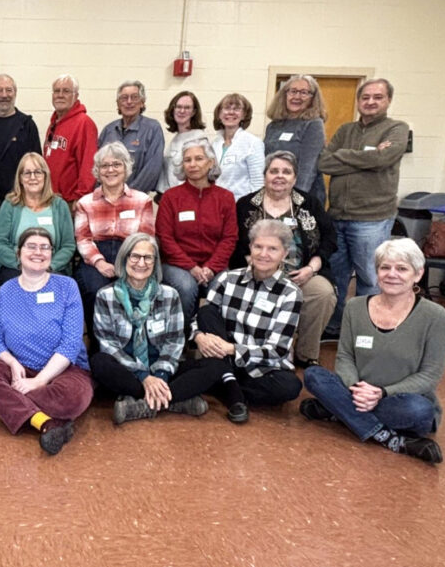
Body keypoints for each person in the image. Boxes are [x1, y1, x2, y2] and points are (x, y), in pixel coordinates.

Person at [302, 238, 445, 464]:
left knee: (420, 411)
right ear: (377, 271)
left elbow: (429, 375)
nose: (392, 274)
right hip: (356, 392)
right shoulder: (355, 306)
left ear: (417, 274)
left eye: (402, 269)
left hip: (399, 401)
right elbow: (345, 357)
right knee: (313, 375)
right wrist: (355, 389)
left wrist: (382, 392)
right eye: (385, 267)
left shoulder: (435, 316)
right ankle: (388, 438)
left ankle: (339, 412)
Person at [0, 227, 94, 456]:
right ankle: (42, 421)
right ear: (18, 253)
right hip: (18, 370)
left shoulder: (67, 287)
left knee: (74, 399)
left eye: (45, 247)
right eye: (31, 246)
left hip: (64, 370)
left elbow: (71, 344)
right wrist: (12, 363)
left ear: (52, 254)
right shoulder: (6, 290)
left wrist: (40, 380)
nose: (38, 252)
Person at [170, 220, 302, 424]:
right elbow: (200, 320)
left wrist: (231, 349)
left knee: (290, 387)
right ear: (250, 248)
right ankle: (233, 393)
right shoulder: (227, 279)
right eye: (258, 246)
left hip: (259, 368)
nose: (263, 254)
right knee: (206, 311)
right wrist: (199, 337)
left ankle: (220, 383)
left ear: (284, 254)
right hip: (222, 358)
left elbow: (277, 350)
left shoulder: (290, 294)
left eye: (272, 249)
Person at [319, 78, 409, 340]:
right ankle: (335, 327)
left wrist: (345, 156)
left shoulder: (396, 129)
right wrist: (366, 159)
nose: (370, 102)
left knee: (369, 278)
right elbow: (324, 162)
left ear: (388, 100)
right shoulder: (345, 130)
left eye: (377, 97)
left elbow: (384, 158)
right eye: (365, 97)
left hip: (371, 218)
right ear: (358, 101)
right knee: (336, 277)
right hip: (337, 216)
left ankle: (363, 331)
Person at [89, 233, 207, 423]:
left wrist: (160, 374)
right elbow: (108, 344)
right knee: (99, 362)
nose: (141, 263)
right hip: (128, 371)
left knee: (213, 366)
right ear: (124, 258)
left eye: (148, 257)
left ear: (155, 262)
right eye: (134, 256)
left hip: (161, 367)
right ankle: (173, 400)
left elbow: (175, 341)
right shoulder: (106, 295)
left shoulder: (170, 294)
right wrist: (144, 377)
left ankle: (141, 404)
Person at [233, 151, 336, 368]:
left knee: (323, 293)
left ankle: (306, 353)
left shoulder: (309, 204)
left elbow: (329, 238)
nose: (280, 176)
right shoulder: (246, 204)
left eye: (286, 172)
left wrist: (311, 267)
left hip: (302, 273)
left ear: (295, 178)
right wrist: (256, 266)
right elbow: (235, 243)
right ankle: (266, 350)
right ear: (265, 175)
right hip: (258, 273)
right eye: (274, 171)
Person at [154, 137, 237, 325]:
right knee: (186, 286)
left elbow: (229, 238)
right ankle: (180, 341)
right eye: (187, 160)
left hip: (214, 265)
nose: (192, 164)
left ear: (211, 162)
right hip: (177, 265)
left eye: (199, 158)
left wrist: (210, 268)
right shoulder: (170, 197)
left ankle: (214, 341)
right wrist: (191, 267)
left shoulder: (225, 198)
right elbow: (165, 238)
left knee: (224, 285)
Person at [73, 142, 156, 324]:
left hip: (133, 256)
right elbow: (83, 239)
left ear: (126, 168)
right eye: (105, 165)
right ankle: (98, 347)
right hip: (96, 258)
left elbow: (146, 239)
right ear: (97, 171)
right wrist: (100, 263)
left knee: (133, 291)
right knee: (95, 291)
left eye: (116, 164)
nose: (110, 170)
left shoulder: (143, 201)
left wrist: (130, 264)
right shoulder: (85, 203)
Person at [0, 151, 75, 288]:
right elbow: (0, 243)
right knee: (10, 284)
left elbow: (68, 245)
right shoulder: (10, 204)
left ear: (45, 176)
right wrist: (21, 263)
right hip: (15, 266)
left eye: (37, 172)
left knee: (56, 286)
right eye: (27, 173)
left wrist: (49, 265)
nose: (32, 177)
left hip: (51, 266)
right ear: (20, 178)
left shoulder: (60, 205)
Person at [0, 73, 41, 215]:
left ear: (15, 93)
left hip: (20, 203)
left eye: (9, 90)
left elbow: (37, 166)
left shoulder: (27, 125)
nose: (4, 95)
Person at [264, 75, 328, 205]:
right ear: (285, 94)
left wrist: (293, 200)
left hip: (303, 196)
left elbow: (308, 168)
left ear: (313, 98)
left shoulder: (313, 124)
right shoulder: (274, 126)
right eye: (293, 91)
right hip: (274, 193)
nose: (297, 97)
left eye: (304, 93)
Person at [97, 80, 164, 193]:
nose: (129, 102)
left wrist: (128, 195)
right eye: (124, 98)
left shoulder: (152, 129)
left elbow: (152, 169)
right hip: (106, 198)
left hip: (136, 199)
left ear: (142, 102)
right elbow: (98, 165)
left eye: (134, 97)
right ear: (118, 104)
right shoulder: (109, 130)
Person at [43, 74, 99, 203]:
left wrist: (80, 197)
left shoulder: (84, 123)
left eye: (66, 91)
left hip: (70, 201)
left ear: (76, 96)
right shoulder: (54, 123)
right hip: (50, 199)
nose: (60, 95)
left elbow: (88, 164)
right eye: (57, 91)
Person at [211, 93, 264, 201]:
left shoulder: (253, 143)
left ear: (244, 115)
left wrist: (250, 208)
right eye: (226, 108)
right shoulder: (214, 144)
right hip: (216, 203)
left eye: (237, 109)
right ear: (219, 114)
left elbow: (258, 183)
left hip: (241, 205)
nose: (231, 112)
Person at [158, 90, 206, 192]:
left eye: (187, 107)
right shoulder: (176, 138)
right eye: (179, 107)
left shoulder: (198, 138)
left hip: (187, 195)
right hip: (170, 195)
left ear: (193, 112)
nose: (182, 111)